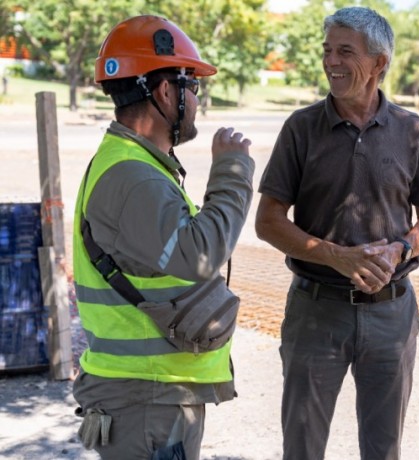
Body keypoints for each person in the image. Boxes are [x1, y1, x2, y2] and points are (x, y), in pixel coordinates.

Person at [255, 6, 419, 460]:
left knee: (383, 450)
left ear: (380, 63)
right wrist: (336, 256)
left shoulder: (412, 131)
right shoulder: (300, 129)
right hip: (315, 313)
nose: (331, 62)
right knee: (302, 447)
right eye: (327, 51)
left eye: (345, 51)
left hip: (392, 316)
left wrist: (402, 249)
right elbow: (267, 221)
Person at [72, 15, 255, 459]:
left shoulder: (134, 165)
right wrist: (232, 172)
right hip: (146, 398)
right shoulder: (134, 178)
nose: (196, 100)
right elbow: (200, 255)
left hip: (149, 392)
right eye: (192, 86)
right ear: (165, 91)